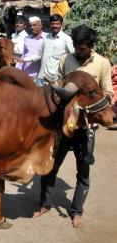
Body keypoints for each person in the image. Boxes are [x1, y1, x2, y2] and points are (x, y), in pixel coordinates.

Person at [33, 24, 113, 228]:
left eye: (82, 48)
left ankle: (77, 211)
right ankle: (45, 204)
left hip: (87, 129)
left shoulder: (102, 63)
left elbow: (108, 93)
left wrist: (92, 106)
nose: (78, 51)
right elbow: (59, 85)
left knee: (83, 173)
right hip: (64, 126)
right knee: (50, 167)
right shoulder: (66, 59)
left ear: (91, 46)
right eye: (76, 46)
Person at [18, 14, 74, 85]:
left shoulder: (66, 39)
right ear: (50, 25)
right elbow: (39, 55)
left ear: (61, 25)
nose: (55, 26)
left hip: (55, 79)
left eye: (57, 24)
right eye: (53, 24)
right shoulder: (46, 37)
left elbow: (72, 55)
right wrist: (23, 59)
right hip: (42, 77)